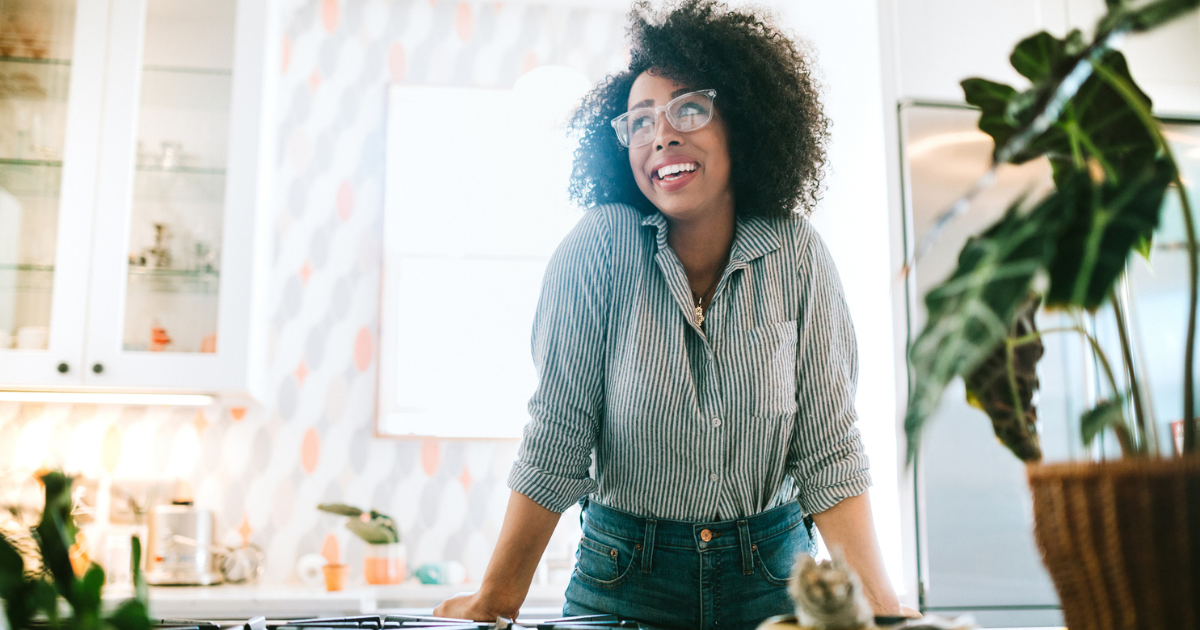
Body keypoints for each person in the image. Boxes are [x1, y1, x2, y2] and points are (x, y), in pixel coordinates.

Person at [435, 0, 906, 626]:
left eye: (689, 108)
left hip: (777, 584)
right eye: (639, 121)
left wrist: (884, 612)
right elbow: (558, 437)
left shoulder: (797, 254)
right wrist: (495, 601)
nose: (661, 134)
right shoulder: (598, 249)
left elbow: (829, 455)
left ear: (740, 120)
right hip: (624, 583)